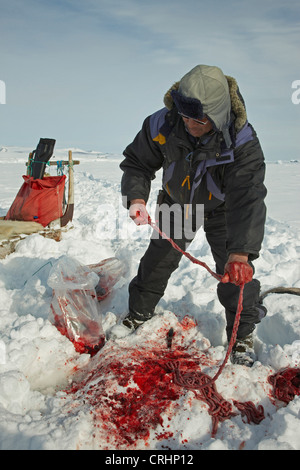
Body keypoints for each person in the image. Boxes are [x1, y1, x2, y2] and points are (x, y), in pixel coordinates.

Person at [117, 64, 267, 367]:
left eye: (197, 119)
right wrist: (136, 197)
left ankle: (242, 336)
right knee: (158, 261)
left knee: (235, 274)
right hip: (177, 201)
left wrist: (240, 253)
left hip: (224, 210)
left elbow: (247, 196)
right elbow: (137, 162)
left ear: (217, 114)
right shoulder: (162, 123)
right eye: (184, 115)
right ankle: (138, 315)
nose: (188, 123)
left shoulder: (241, 141)